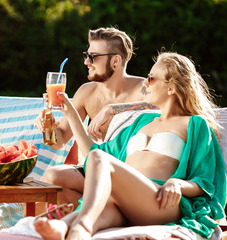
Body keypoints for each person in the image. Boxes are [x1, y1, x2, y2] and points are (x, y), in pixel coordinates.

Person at [34, 52, 226, 240]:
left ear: (171, 88)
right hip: (126, 202)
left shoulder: (194, 124)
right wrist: (71, 115)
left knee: (100, 163)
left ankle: (81, 227)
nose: (144, 83)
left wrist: (178, 183)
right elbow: (94, 155)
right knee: (104, 201)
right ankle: (63, 227)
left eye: (151, 78)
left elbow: (206, 181)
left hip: (160, 199)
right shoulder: (141, 121)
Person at [35, 27, 154, 208]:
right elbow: (58, 141)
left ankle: (104, 214)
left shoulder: (143, 88)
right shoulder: (86, 92)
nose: (86, 62)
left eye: (93, 57)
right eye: (86, 55)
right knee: (52, 180)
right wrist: (48, 127)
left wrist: (112, 109)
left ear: (115, 61)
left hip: (128, 172)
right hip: (94, 169)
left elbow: (163, 106)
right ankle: (101, 216)